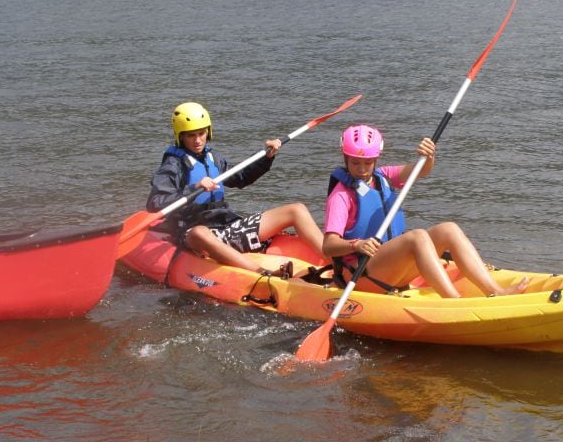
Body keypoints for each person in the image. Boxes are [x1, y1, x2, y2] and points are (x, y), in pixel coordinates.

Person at [323, 124, 528, 298]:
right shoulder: (341, 195)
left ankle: (495, 291)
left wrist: (427, 156)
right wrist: (357, 244)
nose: (361, 169)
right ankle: (454, 302)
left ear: (376, 158)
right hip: (361, 274)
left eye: (367, 162)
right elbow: (329, 246)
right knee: (417, 237)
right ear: (345, 158)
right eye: (355, 162)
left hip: (391, 269)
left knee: (448, 229)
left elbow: (420, 170)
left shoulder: (382, 176)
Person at [146, 101, 325, 275]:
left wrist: (267, 157)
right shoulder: (173, 165)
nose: (198, 140)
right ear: (180, 136)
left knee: (296, 210)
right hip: (192, 231)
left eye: (201, 133)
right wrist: (194, 188)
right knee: (200, 232)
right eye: (191, 135)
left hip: (226, 227)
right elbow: (155, 203)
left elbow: (241, 178)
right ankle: (262, 274)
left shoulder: (213, 157)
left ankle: (339, 261)